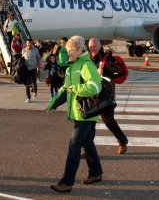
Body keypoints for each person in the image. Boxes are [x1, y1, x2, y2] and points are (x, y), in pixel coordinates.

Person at [46, 35, 103, 193]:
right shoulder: (73, 65)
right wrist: (54, 103)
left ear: (79, 50)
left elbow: (95, 87)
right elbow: (66, 88)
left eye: (71, 50)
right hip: (79, 113)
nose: (68, 53)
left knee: (74, 146)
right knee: (88, 144)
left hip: (86, 113)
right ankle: (96, 173)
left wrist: (76, 89)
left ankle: (67, 182)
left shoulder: (85, 64)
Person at [87, 38, 128, 155]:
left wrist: (106, 72)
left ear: (100, 46)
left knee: (109, 121)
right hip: (92, 96)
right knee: (90, 123)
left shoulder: (108, 60)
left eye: (95, 46)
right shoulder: (87, 60)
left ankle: (122, 141)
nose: (93, 48)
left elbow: (119, 74)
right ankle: (89, 149)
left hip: (106, 96)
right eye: (90, 47)